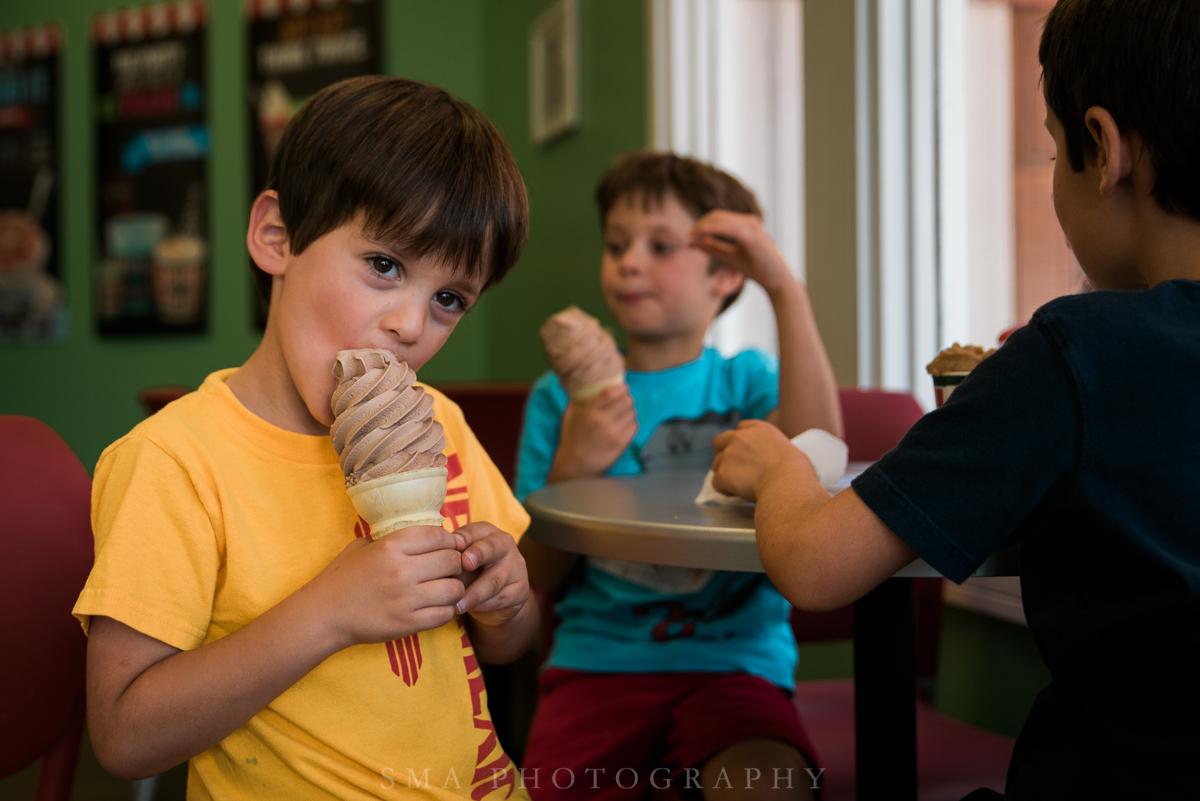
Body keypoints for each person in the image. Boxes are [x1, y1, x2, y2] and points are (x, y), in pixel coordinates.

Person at [710, 1, 1200, 797]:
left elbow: (815, 564)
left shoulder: (1074, 353)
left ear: (1105, 148)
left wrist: (777, 468)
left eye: (1052, 149)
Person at [73, 76, 538, 800]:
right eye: (384, 265)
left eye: (449, 299)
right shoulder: (175, 461)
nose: (412, 326)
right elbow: (124, 735)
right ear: (276, 237)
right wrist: (329, 613)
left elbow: (508, 644)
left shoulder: (439, 424)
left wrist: (505, 599)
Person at [516, 153, 842, 800]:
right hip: (596, 664)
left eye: (660, 245)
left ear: (726, 274)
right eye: (616, 244)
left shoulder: (744, 382)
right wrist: (573, 465)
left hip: (736, 665)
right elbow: (535, 577)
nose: (630, 260)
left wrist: (782, 286)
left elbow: (820, 446)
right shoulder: (559, 399)